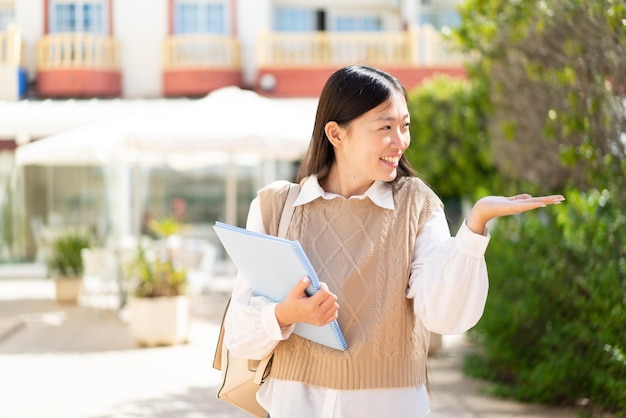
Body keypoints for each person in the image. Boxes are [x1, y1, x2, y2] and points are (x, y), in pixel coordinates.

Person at [224, 65, 564, 418]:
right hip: (294, 405)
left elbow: (444, 316)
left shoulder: (416, 204)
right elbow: (240, 334)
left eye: (405, 126)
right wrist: (286, 313)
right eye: (385, 126)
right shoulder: (275, 205)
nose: (400, 141)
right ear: (336, 134)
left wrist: (475, 226)